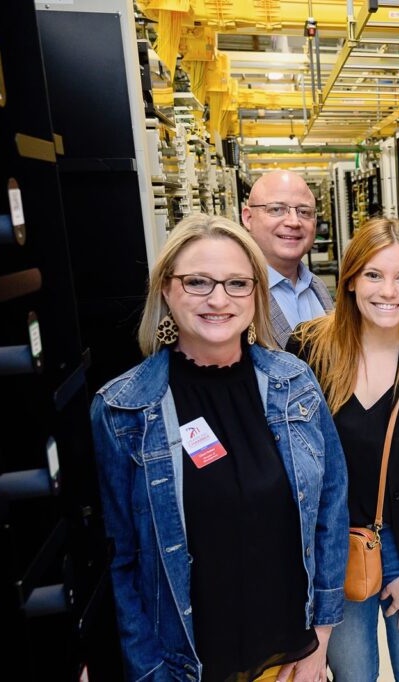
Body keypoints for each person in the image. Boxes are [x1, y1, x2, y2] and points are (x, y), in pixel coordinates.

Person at [91, 214, 348, 682]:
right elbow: (119, 561)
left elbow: (330, 507)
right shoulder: (124, 410)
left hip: (291, 655)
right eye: (197, 282)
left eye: (236, 283)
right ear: (166, 290)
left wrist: (321, 639)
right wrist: (148, 669)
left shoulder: (294, 383)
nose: (218, 299)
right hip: (186, 664)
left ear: (256, 295)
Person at [289, 218, 399, 682]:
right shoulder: (309, 350)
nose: (388, 291)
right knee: (353, 676)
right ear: (349, 280)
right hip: (336, 553)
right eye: (373, 274)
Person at [241, 170, 334, 348]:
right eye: (277, 209)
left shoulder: (317, 286)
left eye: (304, 212)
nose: (293, 222)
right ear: (248, 218)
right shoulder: (234, 294)